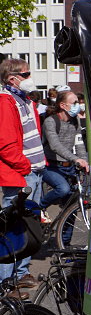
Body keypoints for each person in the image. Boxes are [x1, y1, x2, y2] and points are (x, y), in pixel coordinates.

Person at [0, 58, 46, 298]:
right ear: (12, 78)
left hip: (33, 172)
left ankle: (20, 274)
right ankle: (6, 283)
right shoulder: (6, 103)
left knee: (28, 226)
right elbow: (5, 144)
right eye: (26, 74)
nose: (30, 78)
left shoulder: (25, 101)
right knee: (13, 230)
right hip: (21, 174)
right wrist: (26, 167)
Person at [40, 90, 89, 209]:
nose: (78, 105)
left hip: (69, 167)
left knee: (71, 203)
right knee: (63, 189)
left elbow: (79, 143)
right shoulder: (50, 121)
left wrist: (84, 160)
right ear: (63, 105)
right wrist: (75, 158)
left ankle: (65, 227)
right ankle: (39, 207)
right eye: (74, 103)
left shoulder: (75, 121)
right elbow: (55, 145)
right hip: (51, 166)